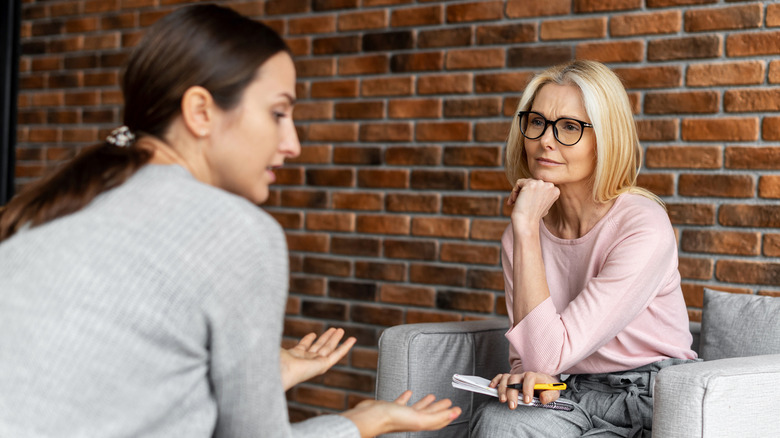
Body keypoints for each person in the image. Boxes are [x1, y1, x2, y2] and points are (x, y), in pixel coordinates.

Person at [0, 5, 460, 437]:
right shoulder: (235, 231)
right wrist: (361, 422)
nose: (293, 144)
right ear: (201, 112)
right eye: (278, 113)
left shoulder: (54, 207)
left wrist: (265, 377)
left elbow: (112, 392)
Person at [469, 60, 697, 438]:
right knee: (498, 422)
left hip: (646, 398)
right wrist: (523, 378)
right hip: (566, 391)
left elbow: (548, 355)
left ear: (605, 139)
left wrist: (525, 227)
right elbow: (532, 358)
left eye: (570, 127)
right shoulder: (522, 232)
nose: (545, 140)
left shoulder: (642, 226)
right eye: (537, 122)